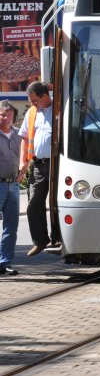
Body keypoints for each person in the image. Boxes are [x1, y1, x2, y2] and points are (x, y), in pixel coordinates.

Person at [18, 81, 59, 256]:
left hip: (58, 164)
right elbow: (25, 138)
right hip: (37, 165)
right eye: (30, 101)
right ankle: (40, 241)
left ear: (45, 96)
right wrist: (22, 161)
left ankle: (58, 238)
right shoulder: (32, 112)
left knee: (59, 203)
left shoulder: (59, 110)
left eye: (34, 100)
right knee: (33, 204)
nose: (32, 103)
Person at [0, 100, 21, 276]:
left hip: (14, 185)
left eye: (9, 115)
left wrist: (24, 170)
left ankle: (4, 263)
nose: (5, 118)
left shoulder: (18, 135)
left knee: (11, 226)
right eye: (2, 115)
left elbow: (26, 155)